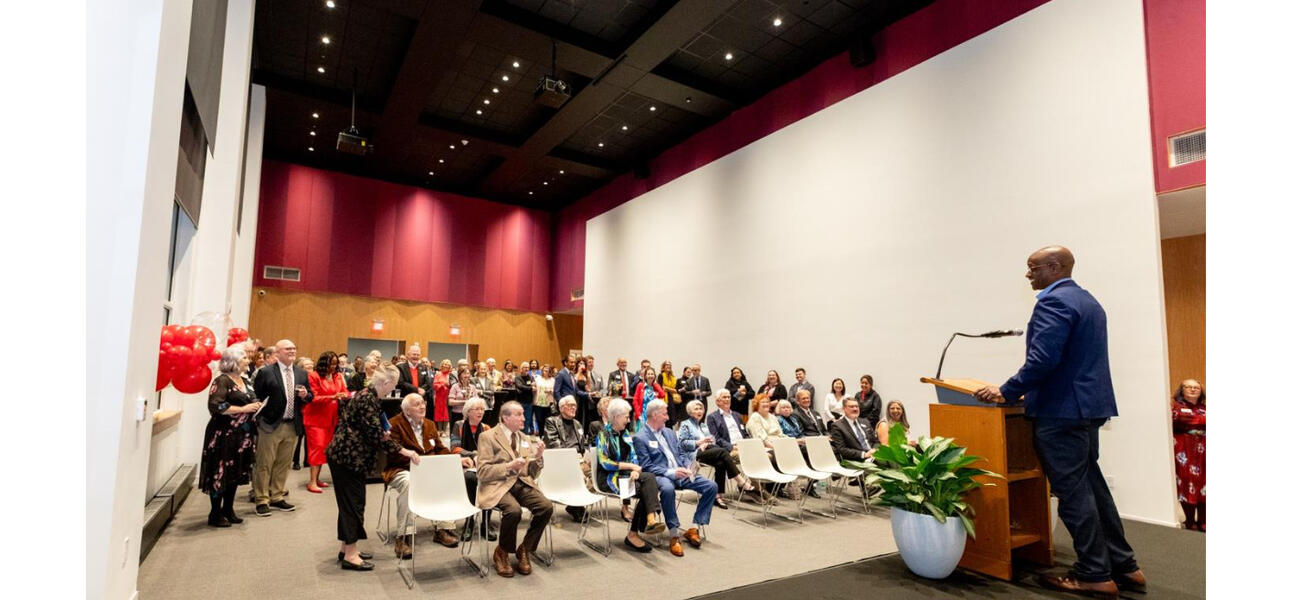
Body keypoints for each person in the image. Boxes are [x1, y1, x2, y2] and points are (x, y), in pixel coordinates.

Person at [973, 245, 1145, 596]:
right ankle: (1124, 565)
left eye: (1033, 267)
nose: (1028, 274)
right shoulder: (1088, 301)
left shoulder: (1053, 302)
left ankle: (1094, 573)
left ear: (1054, 267)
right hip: (1085, 408)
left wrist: (1007, 389)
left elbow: (1043, 359)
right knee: (1094, 490)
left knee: (1073, 494)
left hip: (1060, 411)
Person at [326, 364, 422, 571]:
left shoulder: (368, 396)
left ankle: (346, 547)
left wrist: (381, 433)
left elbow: (373, 429)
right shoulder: (367, 399)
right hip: (348, 459)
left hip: (351, 458)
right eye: (393, 385)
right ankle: (350, 555)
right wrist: (405, 451)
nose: (393, 389)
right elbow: (376, 435)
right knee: (353, 505)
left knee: (351, 504)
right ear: (386, 383)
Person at [384, 394, 467, 558]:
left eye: (423, 403)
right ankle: (404, 536)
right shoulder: (394, 424)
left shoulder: (429, 424)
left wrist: (456, 459)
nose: (422, 407)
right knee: (409, 483)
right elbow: (393, 453)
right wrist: (419, 461)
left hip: (429, 469)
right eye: (417, 404)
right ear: (407, 410)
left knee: (448, 478)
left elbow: (440, 448)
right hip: (402, 469)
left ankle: (443, 528)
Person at [475, 401, 552, 578]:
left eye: (522, 414)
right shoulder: (487, 437)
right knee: (513, 511)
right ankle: (502, 552)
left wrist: (538, 458)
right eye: (518, 414)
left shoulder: (524, 438)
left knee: (546, 507)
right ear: (505, 417)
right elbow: (482, 472)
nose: (524, 418)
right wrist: (509, 466)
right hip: (497, 484)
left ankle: (524, 549)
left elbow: (530, 473)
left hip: (520, 483)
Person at [633, 400, 716, 556]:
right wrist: (672, 472)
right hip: (662, 475)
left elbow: (681, 454)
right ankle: (674, 534)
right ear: (655, 415)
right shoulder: (641, 437)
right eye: (665, 414)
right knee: (668, 489)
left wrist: (687, 466)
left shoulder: (669, 432)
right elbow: (647, 466)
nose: (668, 417)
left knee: (711, 486)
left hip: (681, 472)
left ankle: (694, 527)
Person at [200, 347, 263, 527]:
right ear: (233, 361)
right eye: (243, 357)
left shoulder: (245, 380)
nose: (247, 359)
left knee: (235, 473)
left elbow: (250, 399)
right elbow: (215, 406)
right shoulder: (222, 381)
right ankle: (215, 513)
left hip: (243, 435)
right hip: (223, 434)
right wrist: (243, 409)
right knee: (220, 473)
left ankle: (228, 509)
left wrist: (256, 405)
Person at [251, 339, 314, 516]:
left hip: (292, 424)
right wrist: (260, 421)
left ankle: (277, 496)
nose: (292, 351)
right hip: (270, 425)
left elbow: (310, 396)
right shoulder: (266, 372)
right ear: (277, 353)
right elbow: (256, 397)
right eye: (288, 349)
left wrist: (305, 395)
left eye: (294, 348)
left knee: (283, 464)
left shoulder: (301, 373)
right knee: (264, 464)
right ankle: (262, 499)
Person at [595, 398, 666, 553]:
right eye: (626, 417)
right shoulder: (603, 434)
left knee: (649, 477)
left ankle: (650, 519)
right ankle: (636, 531)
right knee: (646, 491)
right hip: (609, 479)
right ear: (615, 417)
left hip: (627, 476)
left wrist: (635, 470)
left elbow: (633, 456)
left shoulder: (626, 433)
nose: (629, 420)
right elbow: (604, 463)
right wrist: (630, 466)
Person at [678, 399, 757, 509]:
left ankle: (718, 495)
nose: (699, 411)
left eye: (701, 408)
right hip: (694, 453)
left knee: (720, 462)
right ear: (690, 412)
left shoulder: (704, 425)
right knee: (723, 451)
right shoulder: (685, 424)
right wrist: (699, 443)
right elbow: (682, 444)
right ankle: (741, 482)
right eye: (696, 409)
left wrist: (708, 442)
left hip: (708, 450)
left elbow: (713, 439)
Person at [542, 395, 591, 521]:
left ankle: (576, 503)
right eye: (571, 405)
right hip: (562, 460)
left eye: (575, 405)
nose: (574, 408)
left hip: (579, 459)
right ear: (562, 408)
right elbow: (553, 444)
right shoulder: (552, 421)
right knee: (578, 473)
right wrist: (571, 457)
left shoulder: (577, 424)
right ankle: (576, 506)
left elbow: (583, 444)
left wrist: (587, 455)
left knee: (596, 471)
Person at [304, 351, 347, 494]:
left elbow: (344, 391)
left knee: (324, 449)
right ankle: (311, 482)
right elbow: (313, 398)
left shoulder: (337, 377)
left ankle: (317, 479)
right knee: (317, 448)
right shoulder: (314, 376)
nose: (334, 367)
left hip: (331, 418)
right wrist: (333, 396)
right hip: (316, 419)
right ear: (324, 363)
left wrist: (343, 395)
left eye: (336, 364)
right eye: (331, 364)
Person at [1171, 379, 1206, 532]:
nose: (1192, 389)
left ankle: (1204, 521)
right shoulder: (1176, 407)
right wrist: (1199, 420)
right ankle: (1190, 520)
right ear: (1182, 389)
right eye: (1188, 387)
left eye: (1196, 387)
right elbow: (1182, 419)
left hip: (1204, 450)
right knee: (1187, 483)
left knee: (1205, 484)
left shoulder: (1204, 408)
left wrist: (1196, 420)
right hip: (1184, 449)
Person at [829, 396, 875, 470]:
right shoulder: (837, 426)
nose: (855, 409)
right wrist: (864, 455)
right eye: (851, 406)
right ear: (844, 409)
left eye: (857, 406)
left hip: (873, 455)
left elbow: (875, 440)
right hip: (856, 460)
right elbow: (842, 449)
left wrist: (875, 450)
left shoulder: (865, 421)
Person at [705, 390, 749, 458]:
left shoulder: (737, 415)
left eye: (729, 397)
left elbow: (745, 433)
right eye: (724, 397)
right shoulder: (712, 417)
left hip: (744, 446)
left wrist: (749, 444)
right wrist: (732, 447)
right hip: (729, 449)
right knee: (748, 456)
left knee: (767, 455)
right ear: (717, 402)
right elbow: (716, 438)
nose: (727, 399)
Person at [553, 356, 590, 425]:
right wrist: (562, 404)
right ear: (565, 363)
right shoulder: (561, 374)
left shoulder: (571, 374)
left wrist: (588, 394)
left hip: (572, 404)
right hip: (565, 406)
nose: (573, 364)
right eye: (571, 362)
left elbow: (576, 391)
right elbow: (556, 391)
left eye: (574, 362)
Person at [631, 365, 664, 429]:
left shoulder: (656, 386)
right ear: (645, 376)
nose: (650, 376)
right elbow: (635, 401)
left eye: (652, 374)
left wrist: (655, 384)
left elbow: (662, 395)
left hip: (654, 416)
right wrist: (638, 414)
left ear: (654, 376)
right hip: (642, 415)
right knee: (642, 436)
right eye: (648, 374)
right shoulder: (640, 385)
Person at [432, 359, 454, 436]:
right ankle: (439, 430)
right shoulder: (438, 374)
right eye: (444, 364)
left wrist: (447, 384)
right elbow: (434, 385)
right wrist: (442, 384)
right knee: (439, 412)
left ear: (450, 366)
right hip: (439, 396)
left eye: (447, 364)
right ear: (441, 365)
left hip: (448, 396)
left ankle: (444, 430)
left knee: (446, 413)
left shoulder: (451, 375)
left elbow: (453, 385)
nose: (445, 365)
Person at [532, 364, 556, 435]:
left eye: (547, 371)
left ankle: (546, 436)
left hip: (548, 403)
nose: (545, 372)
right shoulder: (537, 378)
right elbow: (532, 385)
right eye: (544, 370)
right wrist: (533, 388)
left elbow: (556, 390)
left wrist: (551, 391)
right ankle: (540, 435)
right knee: (539, 420)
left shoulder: (552, 380)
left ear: (550, 372)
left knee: (547, 420)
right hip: (538, 402)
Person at [514, 361, 537, 434]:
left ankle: (525, 436)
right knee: (518, 420)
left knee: (527, 420)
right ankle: (517, 435)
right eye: (525, 367)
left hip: (529, 402)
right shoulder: (517, 377)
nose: (527, 369)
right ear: (521, 369)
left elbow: (533, 386)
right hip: (520, 402)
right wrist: (530, 387)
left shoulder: (531, 377)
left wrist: (528, 387)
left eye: (528, 367)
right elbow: (520, 386)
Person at [658, 361, 681, 425]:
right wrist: (671, 390)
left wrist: (667, 388)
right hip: (664, 399)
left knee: (672, 416)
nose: (669, 366)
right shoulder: (661, 375)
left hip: (672, 398)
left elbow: (676, 390)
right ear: (663, 367)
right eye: (667, 365)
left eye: (670, 365)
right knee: (666, 416)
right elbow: (660, 388)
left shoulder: (673, 377)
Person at [583, 355, 604, 427]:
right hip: (587, 403)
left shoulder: (598, 375)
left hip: (597, 403)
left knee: (596, 422)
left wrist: (599, 393)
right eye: (589, 362)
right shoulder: (583, 374)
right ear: (585, 363)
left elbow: (602, 388)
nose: (591, 364)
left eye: (592, 362)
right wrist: (590, 394)